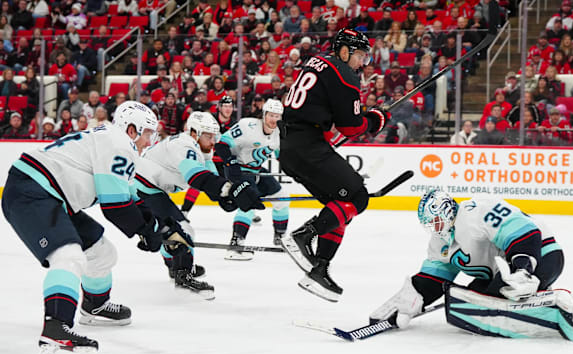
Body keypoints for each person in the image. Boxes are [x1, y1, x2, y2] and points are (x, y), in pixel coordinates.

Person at [1, 101, 165, 354]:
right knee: (68, 256)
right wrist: (145, 231)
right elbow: (116, 206)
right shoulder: (119, 143)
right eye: (147, 133)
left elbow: (129, 196)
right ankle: (56, 331)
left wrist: (157, 227)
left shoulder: (112, 140)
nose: (150, 141)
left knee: (102, 253)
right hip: (31, 193)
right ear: (131, 129)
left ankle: (94, 305)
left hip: (49, 195)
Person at [369, 190, 573, 341]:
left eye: (436, 222)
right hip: (505, 273)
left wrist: (522, 270)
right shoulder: (440, 241)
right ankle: (541, 302)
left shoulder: (475, 211)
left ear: (447, 212)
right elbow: (435, 278)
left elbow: (525, 232)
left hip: (542, 256)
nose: (435, 229)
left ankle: (569, 314)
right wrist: (413, 297)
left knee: (484, 305)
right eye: (429, 225)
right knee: (468, 300)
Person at [279, 29, 388, 302]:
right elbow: (351, 126)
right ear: (344, 51)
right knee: (358, 197)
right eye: (360, 55)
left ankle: (319, 269)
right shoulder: (343, 72)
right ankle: (304, 235)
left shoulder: (317, 62)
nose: (363, 62)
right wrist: (375, 120)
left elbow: (318, 111)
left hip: (294, 147)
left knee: (341, 208)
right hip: (308, 146)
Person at [134, 112, 264, 298]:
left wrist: (230, 199)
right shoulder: (184, 144)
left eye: (215, 136)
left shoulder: (203, 151)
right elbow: (197, 178)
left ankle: (175, 266)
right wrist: (233, 190)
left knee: (171, 229)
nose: (213, 141)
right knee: (183, 229)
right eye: (208, 136)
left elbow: (213, 185)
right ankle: (183, 274)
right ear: (194, 132)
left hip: (150, 188)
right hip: (143, 187)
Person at [214, 99, 289, 260]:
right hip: (237, 169)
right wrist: (230, 162)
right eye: (271, 115)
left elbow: (280, 156)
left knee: (282, 199)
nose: (274, 120)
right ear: (264, 115)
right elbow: (221, 144)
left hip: (255, 170)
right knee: (248, 202)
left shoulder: (279, 133)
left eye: (277, 116)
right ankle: (235, 245)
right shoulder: (247, 126)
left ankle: (280, 238)